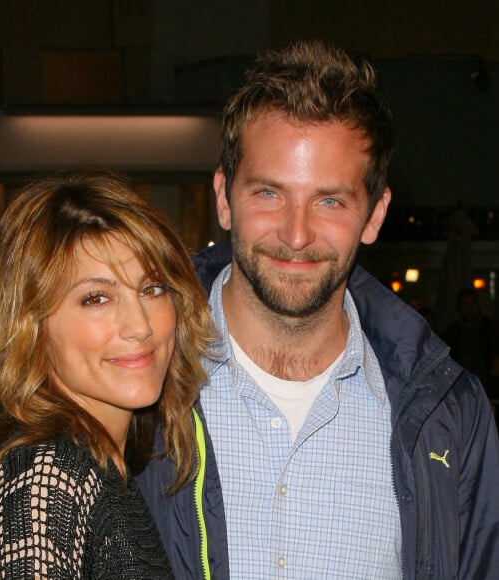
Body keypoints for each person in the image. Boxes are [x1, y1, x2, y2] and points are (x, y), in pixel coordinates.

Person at [137, 40, 499, 578]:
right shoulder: (134, 379)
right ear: (223, 197)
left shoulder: (451, 415)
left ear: (375, 215)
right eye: (269, 193)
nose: (297, 234)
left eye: (330, 200)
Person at [0, 171, 214, 578]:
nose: (140, 326)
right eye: (97, 298)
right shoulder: (46, 479)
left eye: (152, 289)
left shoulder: (97, 468)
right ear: (32, 325)